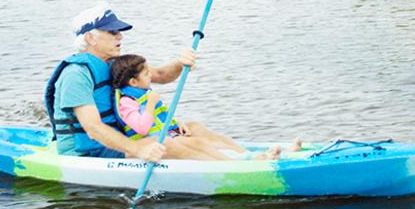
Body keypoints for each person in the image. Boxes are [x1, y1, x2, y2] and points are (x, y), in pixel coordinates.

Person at [43, 5, 196, 162]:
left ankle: (220, 164)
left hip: (116, 140)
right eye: (113, 32)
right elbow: (94, 129)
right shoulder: (76, 74)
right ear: (90, 38)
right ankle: (214, 175)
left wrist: (180, 64)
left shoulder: (115, 64)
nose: (120, 37)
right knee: (169, 144)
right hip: (86, 153)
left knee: (194, 130)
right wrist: (139, 150)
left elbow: (160, 75)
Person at [110, 54, 288, 160]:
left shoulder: (143, 91)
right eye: (147, 74)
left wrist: (175, 123)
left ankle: (246, 154)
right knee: (197, 142)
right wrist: (149, 104)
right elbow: (142, 128)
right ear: (133, 82)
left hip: (169, 133)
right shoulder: (126, 102)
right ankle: (234, 165)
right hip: (154, 142)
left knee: (195, 127)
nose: (151, 77)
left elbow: (159, 117)